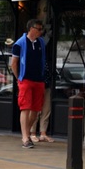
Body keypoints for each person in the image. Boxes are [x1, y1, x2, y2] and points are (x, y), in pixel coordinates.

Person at [11, 19, 46, 149]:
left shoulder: (41, 42)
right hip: (25, 79)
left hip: (39, 79)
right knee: (25, 107)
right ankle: (25, 138)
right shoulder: (19, 44)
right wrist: (18, 77)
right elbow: (14, 63)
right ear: (31, 28)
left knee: (36, 109)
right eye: (39, 28)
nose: (41, 31)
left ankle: (25, 131)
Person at [30, 53, 53, 143]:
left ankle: (43, 133)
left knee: (46, 109)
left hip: (46, 85)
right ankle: (32, 133)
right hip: (36, 85)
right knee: (35, 110)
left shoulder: (45, 59)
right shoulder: (32, 58)